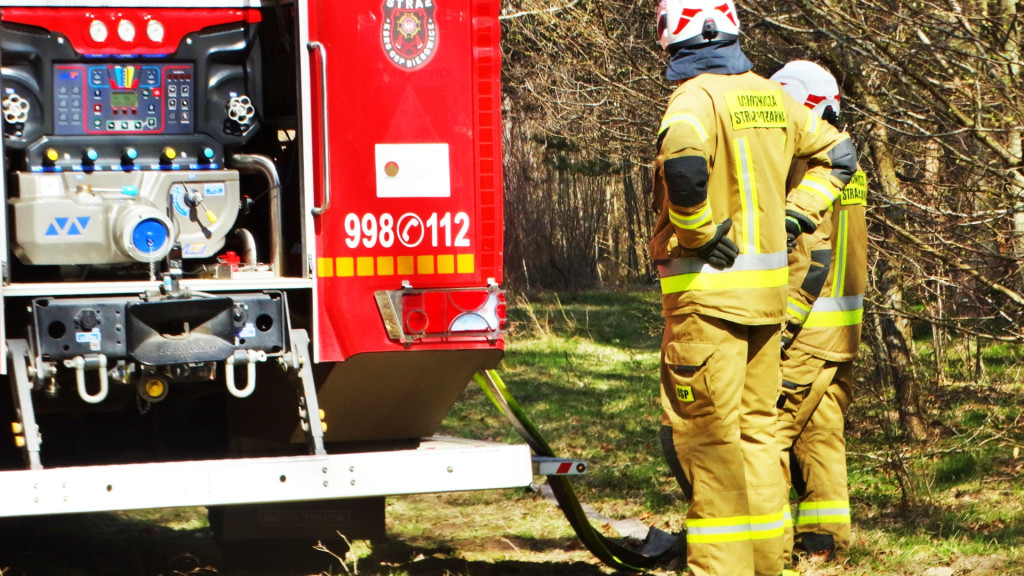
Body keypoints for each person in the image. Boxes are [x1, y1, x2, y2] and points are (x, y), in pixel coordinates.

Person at [650, 2, 859, 575]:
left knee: (709, 443)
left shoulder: (694, 98)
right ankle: (768, 565)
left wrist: (697, 234)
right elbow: (840, 155)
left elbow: (684, 166)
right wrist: (797, 214)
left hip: (708, 307)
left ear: (674, 34)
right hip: (766, 307)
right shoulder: (774, 96)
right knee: (760, 437)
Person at [770, 60, 867, 569]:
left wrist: (780, 330)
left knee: (766, 436)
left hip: (805, 334)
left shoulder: (812, 168)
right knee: (821, 436)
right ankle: (822, 545)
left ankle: (766, 548)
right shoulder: (849, 163)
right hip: (841, 336)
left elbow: (812, 258)